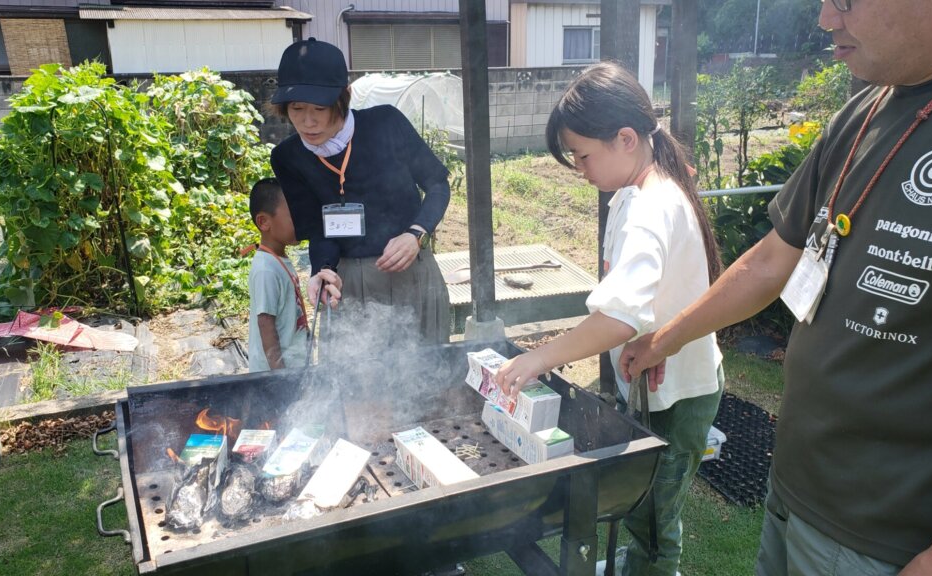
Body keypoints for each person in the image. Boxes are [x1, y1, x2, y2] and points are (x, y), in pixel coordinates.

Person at [619, 1, 932, 574]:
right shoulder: (866, 111)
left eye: (846, 1)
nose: (827, 19)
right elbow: (771, 262)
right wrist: (666, 338)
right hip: (794, 490)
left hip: (888, 537)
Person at [494, 61, 724, 576]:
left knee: (656, 524)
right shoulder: (636, 191)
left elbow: (619, 318)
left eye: (583, 155)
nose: (581, 169)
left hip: (676, 395)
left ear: (625, 138)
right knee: (643, 510)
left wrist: (539, 358)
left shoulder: (649, 207)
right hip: (656, 381)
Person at [268, 38, 451, 344]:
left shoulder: (386, 123)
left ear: (345, 96)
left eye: (319, 108)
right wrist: (323, 270)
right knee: (355, 373)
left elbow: (437, 184)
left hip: (409, 269)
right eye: (297, 108)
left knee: (427, 368)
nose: (307, 121)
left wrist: (416, 234)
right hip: (347, 284)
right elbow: (318, 229)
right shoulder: (288, 157)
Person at [247, 178, 341, 373]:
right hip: (277, 374)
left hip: (293, 368)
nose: (302, 221)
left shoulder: (279, 259)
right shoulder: (266, 270)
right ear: (264, 222)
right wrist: (279, 377)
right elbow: (265, 324)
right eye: (293, 215)